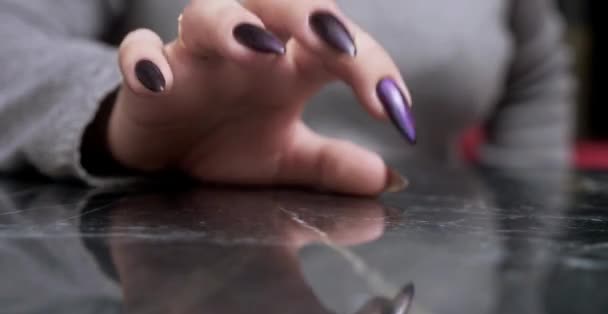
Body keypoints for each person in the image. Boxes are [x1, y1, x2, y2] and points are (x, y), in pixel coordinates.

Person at [0, 0, 574, 195]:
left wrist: (530, 247)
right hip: (167, 277)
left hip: (455, 299)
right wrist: (114, 113)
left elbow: (537, 75)